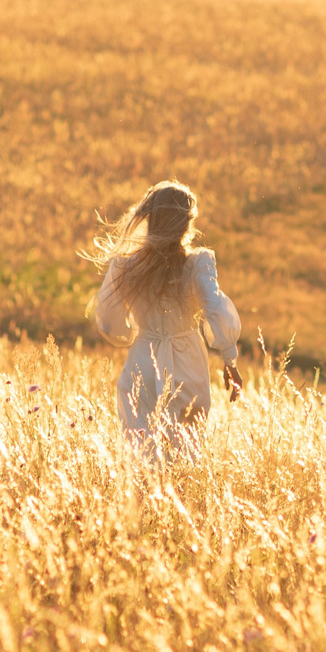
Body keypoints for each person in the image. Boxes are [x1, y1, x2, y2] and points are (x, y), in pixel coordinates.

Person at [88, 180, 244, 450]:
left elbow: (109, 320)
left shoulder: (125, 266)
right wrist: (229, 359)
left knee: (141, 451)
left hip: (142, 363)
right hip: (188, 364)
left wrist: (137, 334)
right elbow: (215, 307)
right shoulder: (198, 264)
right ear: (186, 224)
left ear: (150, 219)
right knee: (185, 450)